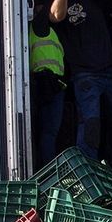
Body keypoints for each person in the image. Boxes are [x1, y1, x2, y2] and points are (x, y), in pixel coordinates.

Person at [46, 0, 112, 173]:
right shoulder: (60, 2)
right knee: (91, 125)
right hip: (85, 75)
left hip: (110, 71)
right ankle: (89, 173)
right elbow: (56, 16)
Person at [29, 10, 67, 169]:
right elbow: (54, 13)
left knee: (48, 132)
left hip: (53, 84)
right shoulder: (40, 26)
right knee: (48, 132)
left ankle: (47, 167)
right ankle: (49, 170)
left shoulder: (51, 33)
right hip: (45, 83)